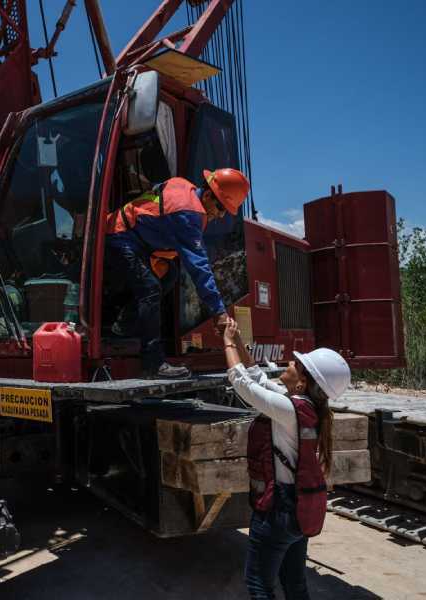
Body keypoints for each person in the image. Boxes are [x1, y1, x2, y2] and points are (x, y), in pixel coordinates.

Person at [222, 319, 351, 599]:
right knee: (294, 584)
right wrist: (241, 341)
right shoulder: (305, 407)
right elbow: (257, 377)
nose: (288, 365)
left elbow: (242, 383)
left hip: (278, 511)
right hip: (297, 509)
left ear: (303, 382)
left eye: (295, 365)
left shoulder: (288, 409)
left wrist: (228, 342)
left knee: (259, 584)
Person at [105, 167, 250, 378]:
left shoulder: (184, 186)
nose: (220, 215)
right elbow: (199, 268)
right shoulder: (188, 213)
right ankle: (153, 364)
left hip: (138, 239)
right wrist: (219, 312)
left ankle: (123, 326)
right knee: (150, 289)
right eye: (220, 207)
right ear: (208, 194)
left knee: (170, 274)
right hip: (121, 235)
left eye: (225, 211)